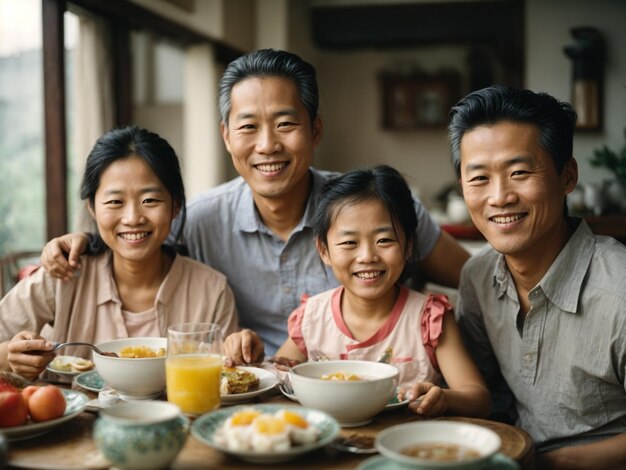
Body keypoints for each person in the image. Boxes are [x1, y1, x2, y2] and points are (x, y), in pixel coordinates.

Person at [38, 49, 469, 356]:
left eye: (285, 124)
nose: (267, 145)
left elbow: (475, 282)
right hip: (251, 407)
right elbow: (135, 230)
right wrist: (84, 239)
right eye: (248, 127)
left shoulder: (379, 210)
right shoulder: (199, 219)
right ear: (227, 136)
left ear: (315, 131)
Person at [450, 85, 626, 469]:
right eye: (479, 178)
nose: (499, 197)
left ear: (567, 176)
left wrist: (549, 463)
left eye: (519, 173)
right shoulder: (478, 277)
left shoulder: (620, 291)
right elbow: (486, 399)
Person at [225, 165, 491, 418]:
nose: (367, 256)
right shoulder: (312, 318)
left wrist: (442, 397)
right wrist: (252, 356)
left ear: (409, 246)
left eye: (384, 240)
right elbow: (276, 379)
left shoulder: (429, 319)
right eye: (349, 242)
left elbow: (478, 398)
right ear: (324, 251)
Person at [0, 126, 238, 380]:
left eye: (150, 200)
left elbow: (228, 379)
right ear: (92, 207)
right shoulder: (62, 274)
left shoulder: (212, 291)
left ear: (175, 207)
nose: (133, 218)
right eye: (115, 202)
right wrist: (11, 358)